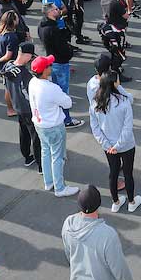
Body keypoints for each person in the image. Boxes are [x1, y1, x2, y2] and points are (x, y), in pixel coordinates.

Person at [88, 67, 141, 213]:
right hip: (126, 145)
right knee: (128, 173)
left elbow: (95, 128)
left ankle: (116, 202)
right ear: (114, 83)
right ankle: (131, 202)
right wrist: (118, 145)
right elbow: (127, 127)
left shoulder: (95, 103)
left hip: (108, 146)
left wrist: (108, 145)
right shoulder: (123, 102)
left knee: (113, 173)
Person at [29, 55, 80, 197]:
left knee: (45, 152)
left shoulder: (32, 82)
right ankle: (60, 188)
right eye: (49, 65)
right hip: (54, 126)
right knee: (57, 157)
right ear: (44, 71)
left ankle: (49, 182)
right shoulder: (51, 88)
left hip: (39, 124)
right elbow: (67, 103)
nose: (51, 66)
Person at [37, 5, 82, 127]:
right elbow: (62, 48)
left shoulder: (42, 26)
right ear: (50, 12)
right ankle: (66, 119)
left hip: (52, 61)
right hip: (60, 63)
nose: (59, 11)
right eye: (56, 9)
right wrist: (69, 52)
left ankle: (60, 117)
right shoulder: (53, 30)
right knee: (62, 92)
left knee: (57, 90)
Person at [1, 44, 40, 168]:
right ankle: (41, 164)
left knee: (23, 132)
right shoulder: (25, 74)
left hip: (17, 106)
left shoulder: (8, 66)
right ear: (28, 55)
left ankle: (27, 157)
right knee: (36, 136)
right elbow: (29, 93)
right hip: (28, 109)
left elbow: (6, 86)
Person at [98, 0, 133, 82]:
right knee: (119, 53)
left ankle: (115, 69)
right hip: (117, 30)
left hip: (108, 29)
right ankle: (116, 73)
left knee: (114, 51)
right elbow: (126, 16)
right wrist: (129, 13)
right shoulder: (116, 3)